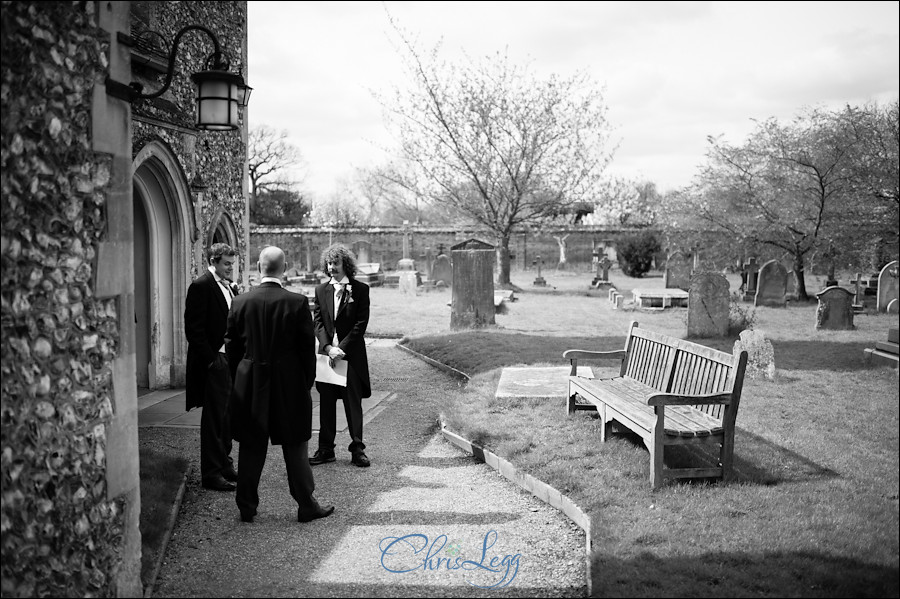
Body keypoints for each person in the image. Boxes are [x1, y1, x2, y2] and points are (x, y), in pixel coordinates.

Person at [225, 246, 334, 523]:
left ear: (259, 267)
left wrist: (241, 376)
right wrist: (304, 383)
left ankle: (246, 506)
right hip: (289, 383)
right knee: (295, 446)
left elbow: (232, 348)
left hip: (250, 382)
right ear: (283, 269)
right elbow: (305, 352)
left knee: (251, 445)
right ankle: (306, 505)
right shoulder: (296, 302)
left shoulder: (240, 302)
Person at [310, 243, 372, 468]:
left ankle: (357, 449)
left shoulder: (361, 290)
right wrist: (328, 348)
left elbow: (360, 324)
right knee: (326, 403)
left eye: (335, 263)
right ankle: (326, 449)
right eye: (329, 263)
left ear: (345, 264)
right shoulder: (320, 290)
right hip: (327, 356)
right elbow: (317, 322)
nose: (331, 267)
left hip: (351, 355)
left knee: (351, 404)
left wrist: (341, 348)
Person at [184, 242, 239, 492]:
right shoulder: (201, 286)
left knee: (228, 417)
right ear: (214, 261)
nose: (230, 268)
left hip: (231, 362)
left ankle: (225, 464)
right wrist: (212, 360)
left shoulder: (230, 287)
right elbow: (193, 330)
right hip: (215, 363)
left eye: (232, 263)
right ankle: (211, 473)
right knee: (214, 420)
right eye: (227, 263)